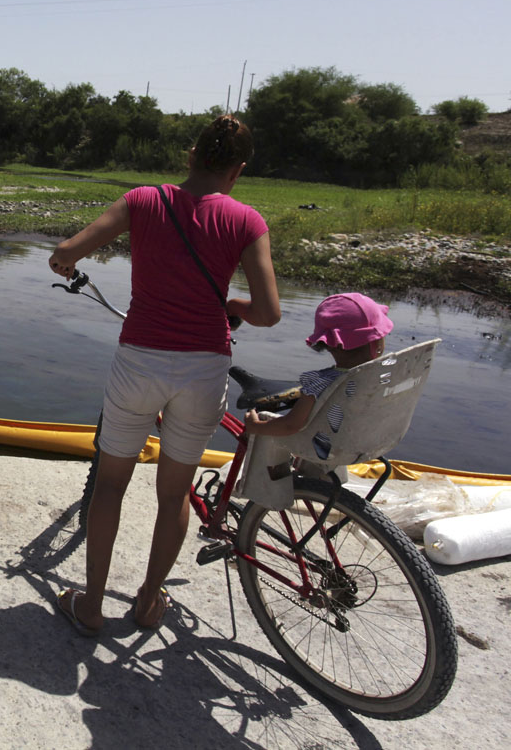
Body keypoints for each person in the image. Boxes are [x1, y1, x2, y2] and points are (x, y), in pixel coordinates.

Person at [47, 114, 281, 635]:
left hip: (140, 361)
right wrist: (230, 305)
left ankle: (90, 606)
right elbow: (268, 313)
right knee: (173, 495)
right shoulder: (247, 221)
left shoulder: (143, 200)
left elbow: (66, 253)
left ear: (191, 156)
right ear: (237, 171)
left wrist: (65, 264)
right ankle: (148, 603)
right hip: (204, 369)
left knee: (110, 484)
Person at [244, 293, 393, 438]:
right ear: (378, 340)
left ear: (327, 344)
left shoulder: (321, 383)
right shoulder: (387, 374)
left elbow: (290, 425)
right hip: (368, 441)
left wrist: (255, 426)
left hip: (324, 447)